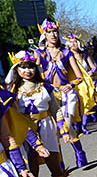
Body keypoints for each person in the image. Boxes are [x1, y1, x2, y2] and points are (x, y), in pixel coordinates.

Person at [7, 52, 78, 177]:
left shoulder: (45, 87)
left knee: (55, 165)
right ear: (17, 69)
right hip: (25, 133)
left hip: (46, 129)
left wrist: (64, 130)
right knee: (31, 171)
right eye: (23, 67)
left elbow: (56, 109)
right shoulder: (12, 91)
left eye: (30, 66)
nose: (28, 70)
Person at [35, 20, 91, 168]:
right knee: (53, 130)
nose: (53, 35)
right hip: (48, 95)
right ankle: (62, 160)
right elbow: (33, 74)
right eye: (49, 32)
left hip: (66, 95)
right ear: (44, 35)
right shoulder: (39, 53)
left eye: (54, 32)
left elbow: (79, 76)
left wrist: (70, 85)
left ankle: (78, 152)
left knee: (65, 125)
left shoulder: (66, 52)